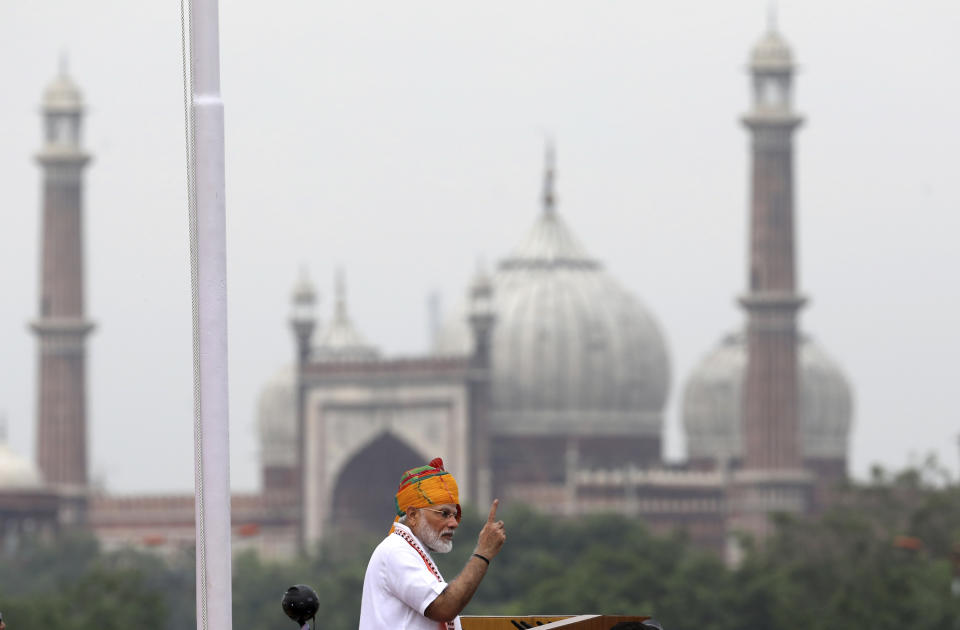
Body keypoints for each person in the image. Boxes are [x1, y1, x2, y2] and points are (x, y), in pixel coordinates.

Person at [359, 457, 506, 630]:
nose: (454, 523)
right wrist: (483, 553)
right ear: (413, 515)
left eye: (455, 515)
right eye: (444, 513)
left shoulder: (410, 551)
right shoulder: (396, 551)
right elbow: (444, 607)